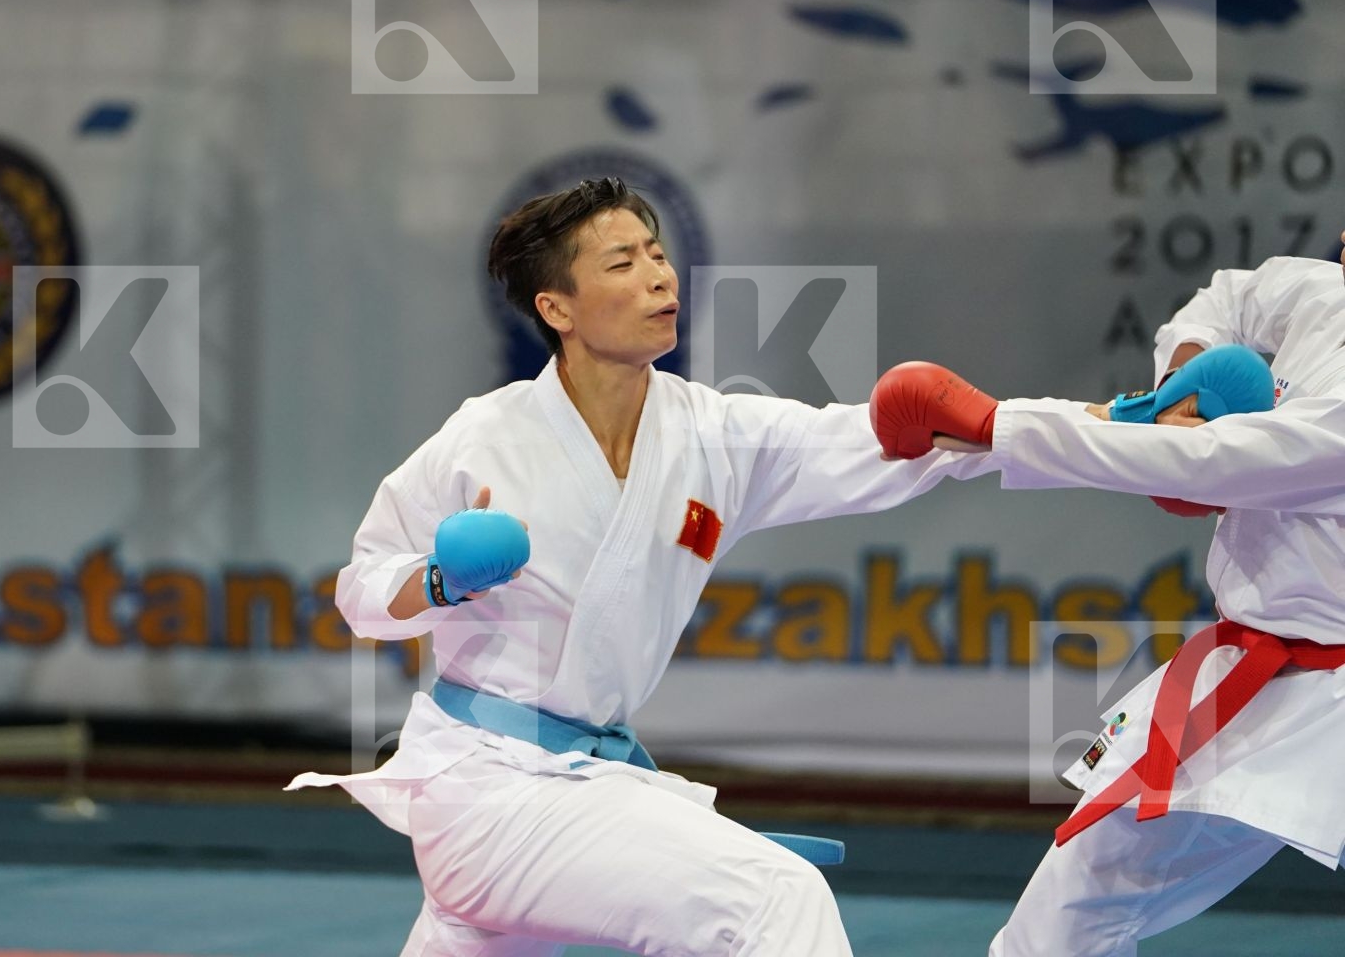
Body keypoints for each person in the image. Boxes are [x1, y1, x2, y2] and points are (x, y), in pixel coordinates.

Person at [289, 178, 995, 955]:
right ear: (556, 308)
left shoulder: (711, 433)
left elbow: (889, 441)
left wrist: (1064, 427)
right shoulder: (484, 438)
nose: (659, 276)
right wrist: (437, 580)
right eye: (622, 262)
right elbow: (359, 592)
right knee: (774, 900)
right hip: (490, 785)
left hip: (577, 785)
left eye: (658, 255)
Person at [870, 234, 1345, 957]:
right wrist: (1186, 381)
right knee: (1069, 913)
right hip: (1247, 674)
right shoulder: (1320, 297)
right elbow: (1223, 299)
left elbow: (1220, 461)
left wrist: (1006, 425)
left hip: (1328, 697)